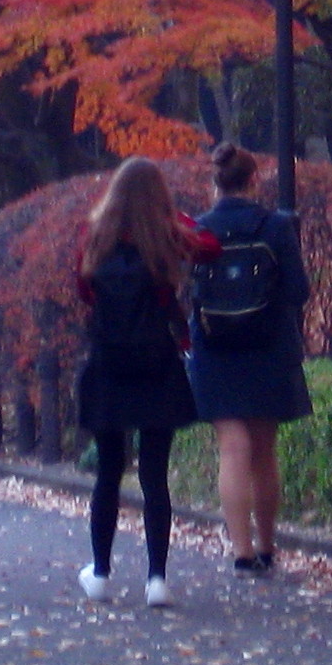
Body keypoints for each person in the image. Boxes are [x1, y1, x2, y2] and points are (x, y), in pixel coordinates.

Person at [71, 158, 209, 609]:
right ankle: (156, 579)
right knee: (154, 474)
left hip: (108, 365)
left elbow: (83, 292)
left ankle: (101, 572)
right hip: (156, 364)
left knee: (109, 472)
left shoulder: (94, 242)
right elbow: (211, 246)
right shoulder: (165, 241)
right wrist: (173, 220)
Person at [187, 144, 310, 574]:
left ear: (214, 182)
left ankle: (240, 552)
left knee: (232, 447)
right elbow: (298, 291)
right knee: (263, 448)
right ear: (253, 180)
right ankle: (267, 545)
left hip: (214, 347)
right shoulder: (274, 227)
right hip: (269, 345)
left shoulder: (197, 230)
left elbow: (185, 291)